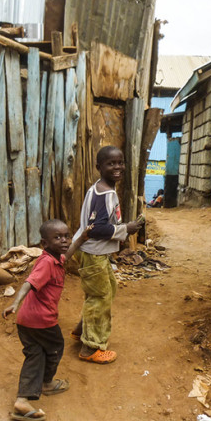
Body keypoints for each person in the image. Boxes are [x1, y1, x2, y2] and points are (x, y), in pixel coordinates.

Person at [2, 219, 90, 421]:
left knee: (35, 354)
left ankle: (22, 400)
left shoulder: (55, 258)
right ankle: (46, 383)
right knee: (56, 347)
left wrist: (81, 238)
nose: (64, 240)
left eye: (66, 236)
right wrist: (14, 302)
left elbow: (67, 255)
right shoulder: (46, 262)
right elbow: (30, 282)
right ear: (44, 244)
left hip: (26, 320)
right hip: (41, 320)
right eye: (57, 237)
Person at [70, 145, 143, 364]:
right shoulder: (105, 194)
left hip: (91, 251)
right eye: (111, 164)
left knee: (107, 289)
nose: (117, 167)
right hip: (92, 252)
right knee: (100, 297)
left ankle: (83, 329)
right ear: (99, 167)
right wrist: (125, 229)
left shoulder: (100, 189)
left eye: (120, 162)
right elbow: (97, 228)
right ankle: (91, 347)